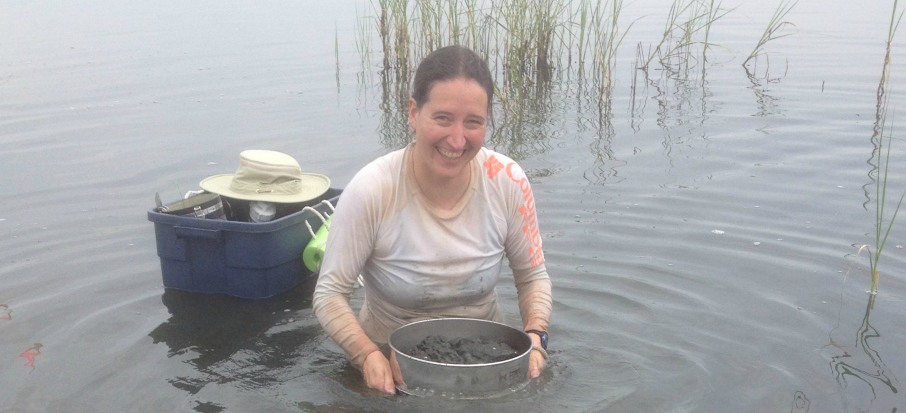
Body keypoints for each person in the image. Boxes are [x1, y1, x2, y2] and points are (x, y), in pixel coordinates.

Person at [313, 45, 552, 395]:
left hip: (486, 363)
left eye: (474, 122)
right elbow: (330, 294)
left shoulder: (508, 180)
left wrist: (536, 335)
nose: (457, 140)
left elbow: (532, 277)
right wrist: (366, 356)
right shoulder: (372, 190)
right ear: (413, 113)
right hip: (391, 366)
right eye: (442, 118)